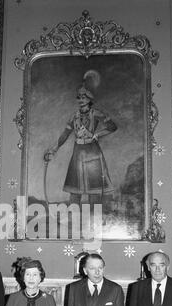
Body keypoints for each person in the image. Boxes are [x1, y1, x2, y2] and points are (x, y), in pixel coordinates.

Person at [44, 71, 117, 206]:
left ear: (89, 99)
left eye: (83, 97)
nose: (80, 100)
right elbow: (65, 134)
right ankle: (73, 221)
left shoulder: (96, 114)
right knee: (75, 191)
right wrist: (54, 149)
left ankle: (94, 222)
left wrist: (97, 134)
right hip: (78, 153)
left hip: (92, 152)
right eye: (78, 97)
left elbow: (113, 127)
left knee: (94, 191)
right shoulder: (74, 116)